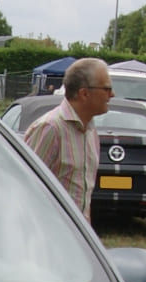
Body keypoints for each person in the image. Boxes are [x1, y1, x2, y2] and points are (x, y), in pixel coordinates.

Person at [22, 58, 112, 222]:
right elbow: (26, 188)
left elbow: (83, 196)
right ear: (84, 93)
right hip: (49, 235)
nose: (112, 95)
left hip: (75, 238)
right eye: (106, 89)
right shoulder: (50, 128)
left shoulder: (90, 131)